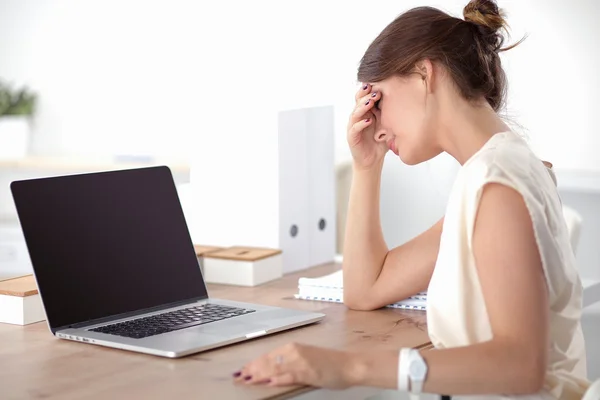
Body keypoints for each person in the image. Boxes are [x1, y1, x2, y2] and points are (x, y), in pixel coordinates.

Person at [232, 0, 590, 398]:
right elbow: (366, 289)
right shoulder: (499, 172)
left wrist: (350, 366)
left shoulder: (497, 186)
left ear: (424, 74)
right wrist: (367, 165)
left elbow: (520, 366)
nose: (376, 126)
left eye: (378, 102)